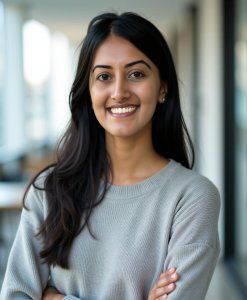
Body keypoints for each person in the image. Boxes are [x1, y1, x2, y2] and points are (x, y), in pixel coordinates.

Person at [0, 12, 220, 300]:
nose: (119, 92)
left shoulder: (192, 197)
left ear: (163, 87)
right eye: (104, 76)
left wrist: (57, 297)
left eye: (136, 74)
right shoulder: (50, 190)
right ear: (89, 93)